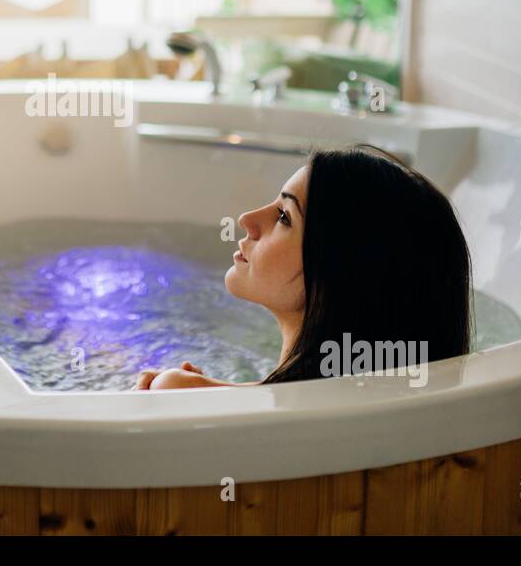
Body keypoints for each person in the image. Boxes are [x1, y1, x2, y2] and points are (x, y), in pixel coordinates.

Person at [133, 145, 472, 389]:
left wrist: (176, 393)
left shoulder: (175, 390)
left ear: (339, 274)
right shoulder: (393, 407)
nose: (247, 219)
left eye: (284, 217)